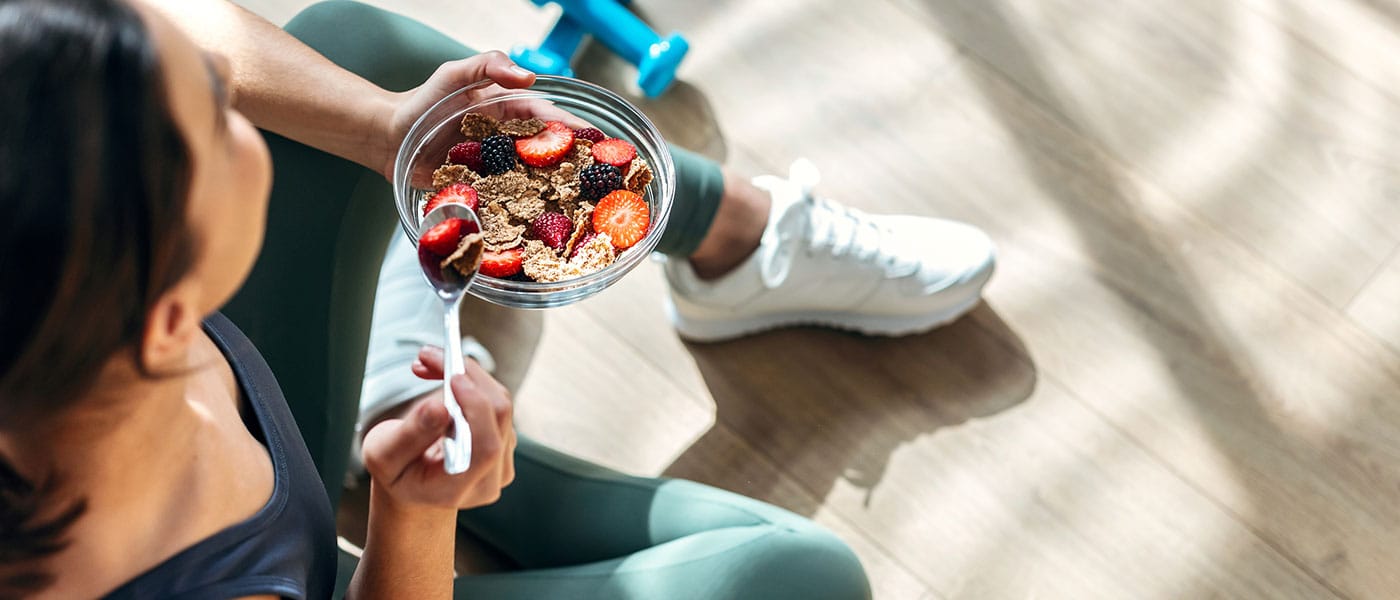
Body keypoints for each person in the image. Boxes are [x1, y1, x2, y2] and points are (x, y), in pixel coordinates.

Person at [0, 0, 871, 598]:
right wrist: (414, 516)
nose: (234, 97)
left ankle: (735, 241)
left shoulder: (68, 322)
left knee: (356, 44)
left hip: (252, 432)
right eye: (218, 117)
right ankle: (417, 439)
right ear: (167, 314)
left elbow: (165, 26)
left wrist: (385, 127)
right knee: (804, 575)